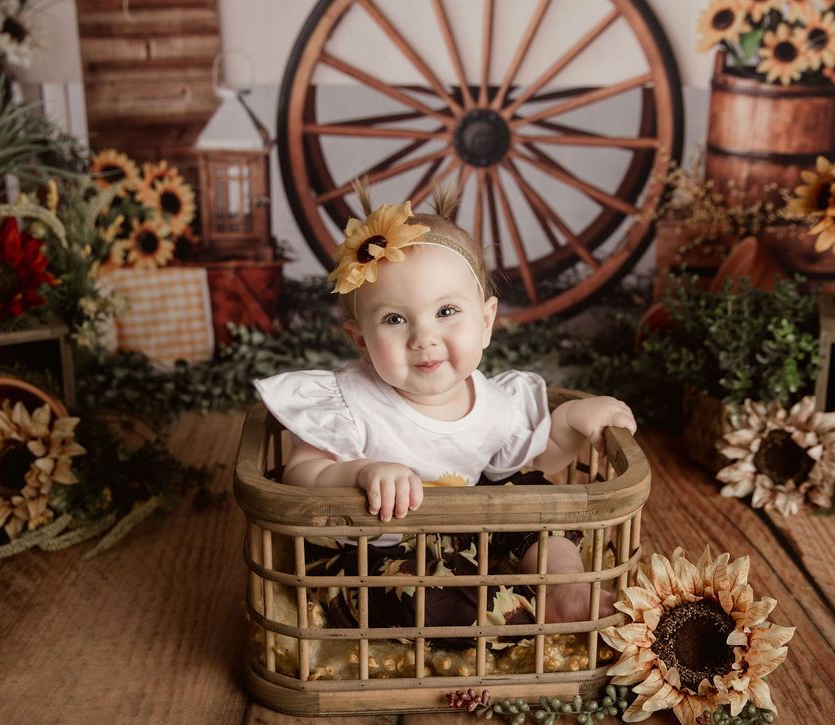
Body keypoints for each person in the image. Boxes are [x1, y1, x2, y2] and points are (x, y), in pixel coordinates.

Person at [254, 183, 636, 634]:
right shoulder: (348, 402)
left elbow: (535, 457)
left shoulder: (493, 402)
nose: (423, 337)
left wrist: (572, 423)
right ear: (360, 340)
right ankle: (506, 614)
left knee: (534, 503)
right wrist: (361, 472)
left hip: (468, 538)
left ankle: (563, 588)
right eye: (394, 320)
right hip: (376, 553)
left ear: (486, 322)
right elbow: (301, 475)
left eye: (447, 311)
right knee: (417, 601)